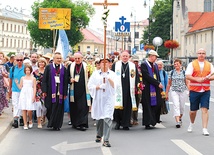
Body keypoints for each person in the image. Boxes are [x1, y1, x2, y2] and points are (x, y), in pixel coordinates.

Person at [88, 58, 116, 147]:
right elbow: (90, 85)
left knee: (107, 118)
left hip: (108, 99)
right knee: (99, 118)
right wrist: (99, 86)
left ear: (109, 64)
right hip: (99, 99)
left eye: (106, 62)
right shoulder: (95, 74)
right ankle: (99, 134)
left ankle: (106, 139)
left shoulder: (113, 74)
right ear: (99, 64)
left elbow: (116, 86)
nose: (104, 64)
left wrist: (108, 79)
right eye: (102, 62)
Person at [185, 48, 214, 136]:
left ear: (205, 55)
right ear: (197, 54)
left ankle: (204, 128)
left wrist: (208, 78)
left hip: (205, 91)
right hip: (194, 90)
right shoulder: (192, 64)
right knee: (193, 111)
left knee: (205, 109)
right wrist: (197, 79)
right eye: (200, 53)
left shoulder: (209, 65)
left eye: (203, 53)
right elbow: (187, 76)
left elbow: (213, 76)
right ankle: (191, 123)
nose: (201, 55)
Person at [112, 51, 139, 130]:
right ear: (120, 57)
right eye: (123, 56)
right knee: (118, 107)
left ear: (129, 57)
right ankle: (118, 122)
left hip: (128, 89)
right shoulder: (116, 65)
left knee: (127, 106)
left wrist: (138, 85)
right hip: (118, 89)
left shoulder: (132, 66)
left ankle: (126, 123)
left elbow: (136, 76)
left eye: (126, 56)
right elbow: (112, 75)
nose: (125, 57)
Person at [42, 52, 68, 131]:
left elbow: (66, 82)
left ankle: (57, 125)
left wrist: (65, 93)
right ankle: (51, 121)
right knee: (49, 107)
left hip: (60, 92)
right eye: (57, 58)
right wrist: (44, 91)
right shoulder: (48, 67)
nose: (59, 60)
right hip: (50, 91)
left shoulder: (63, 68)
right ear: (53, 59)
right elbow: (44, 80)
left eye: (60, 58)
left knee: (59, 108)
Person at [67, 52, 91, 131]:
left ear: (82, 58)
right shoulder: (71, 66)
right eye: (76, 58)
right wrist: (70, 79)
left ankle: (82, 124)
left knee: (83, 107)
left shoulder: (86, 66)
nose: (77, 60)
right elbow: (67, 77)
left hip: (84, 90)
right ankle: (75, 123)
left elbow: (90, 76)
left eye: (79, 58)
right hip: (74, 90)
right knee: (75, 107)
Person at [141, 50, 163, 129]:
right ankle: (147, 122)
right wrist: (157, 83)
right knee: (147, 105)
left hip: (155, 87)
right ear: (151, 56)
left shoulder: (155, 65)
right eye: (155, 57)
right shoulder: (144, 65)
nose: (156, 58)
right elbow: (147, 76)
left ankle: (154, 120)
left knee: (157, 103)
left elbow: (157, 76)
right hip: (147, 87)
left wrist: (159, 83)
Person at [165, 59, 188, 128]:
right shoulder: (171, 72)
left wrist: (189, 91)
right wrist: (166, 93)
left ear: (180, 65)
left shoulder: (184, 72)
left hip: (183, 90)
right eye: (175, 64)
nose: (176, 65)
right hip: (174, 90)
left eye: (177, 64)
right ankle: (177, 121)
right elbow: (169, 84)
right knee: (176, 105)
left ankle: (180, 117)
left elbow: (187, 82)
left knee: (182, 107)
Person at [15, 64, 36, 130]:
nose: (27, 71)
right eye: (26, 70)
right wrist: (17, 83)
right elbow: (20, 87)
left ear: (30, 71)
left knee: (29, 110)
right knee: (24, 109)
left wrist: (34, 96)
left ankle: (30, 120)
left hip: (30, 93)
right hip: (23, 94)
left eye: (28, 70)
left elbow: (34, 88)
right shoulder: (22, 78)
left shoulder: (33, 78)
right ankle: (25, 124)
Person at [9, 53, 25, 128]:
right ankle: (15, 119)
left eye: (21, 60)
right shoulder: (13, 68)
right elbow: (10, 79)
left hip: (23, 89)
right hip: (15, 89)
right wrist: (9, 89)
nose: (19, 61)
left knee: (22, 104)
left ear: (23, 60)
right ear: (15, 60)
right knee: (15, 104)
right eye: (17, 60)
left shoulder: (25, 68)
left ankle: (22, 117)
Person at [33, 57, 47, 128]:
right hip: (37, 90)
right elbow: (32, 81)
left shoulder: (46, 71)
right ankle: (39, 122)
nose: (41, 63)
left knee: (44, 107)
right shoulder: (35, 72)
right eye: (40, 62)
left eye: (43, 62)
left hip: (44, 91)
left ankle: (43, 117)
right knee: (38, 106)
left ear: (45, 63)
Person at [131, 55, 143, 125]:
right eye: (134, 61)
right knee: (130, 104)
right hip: (131, 88)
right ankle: (130, 118)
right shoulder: (130, 67)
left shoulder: (140, 68)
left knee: (137, 104)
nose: (135, 62)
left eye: (137, 61)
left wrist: (140, 88)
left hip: (138, 88)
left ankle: (135, 118)